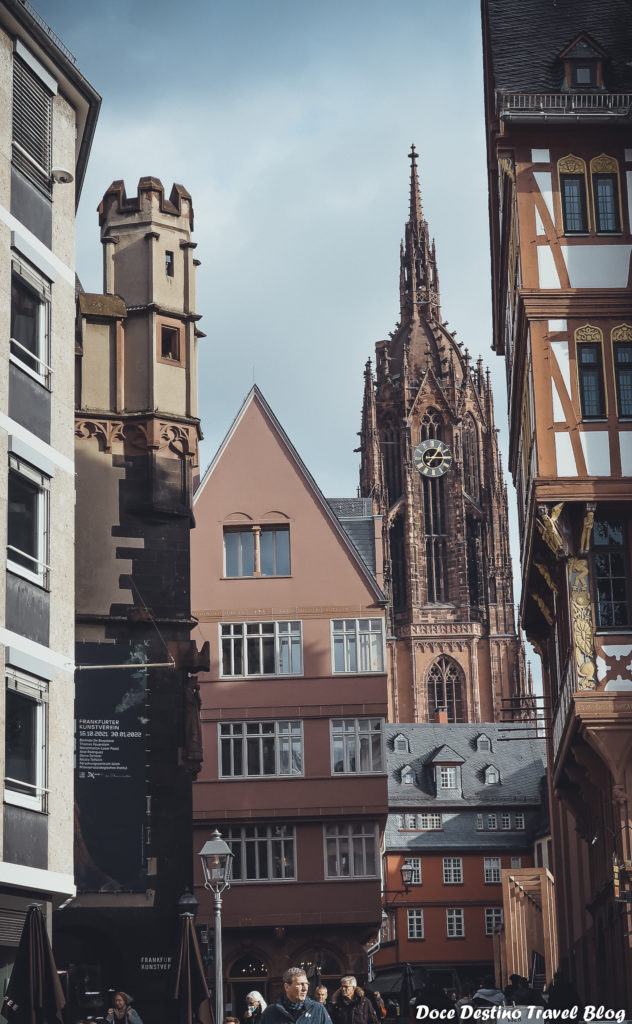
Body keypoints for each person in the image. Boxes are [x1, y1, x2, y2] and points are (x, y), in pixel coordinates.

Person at [261, 968, 331, 1024]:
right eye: (300, 984)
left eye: (307, 984)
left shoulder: (318, 1009)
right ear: (287, 987)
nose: (305, 988)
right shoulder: (270, 1012)